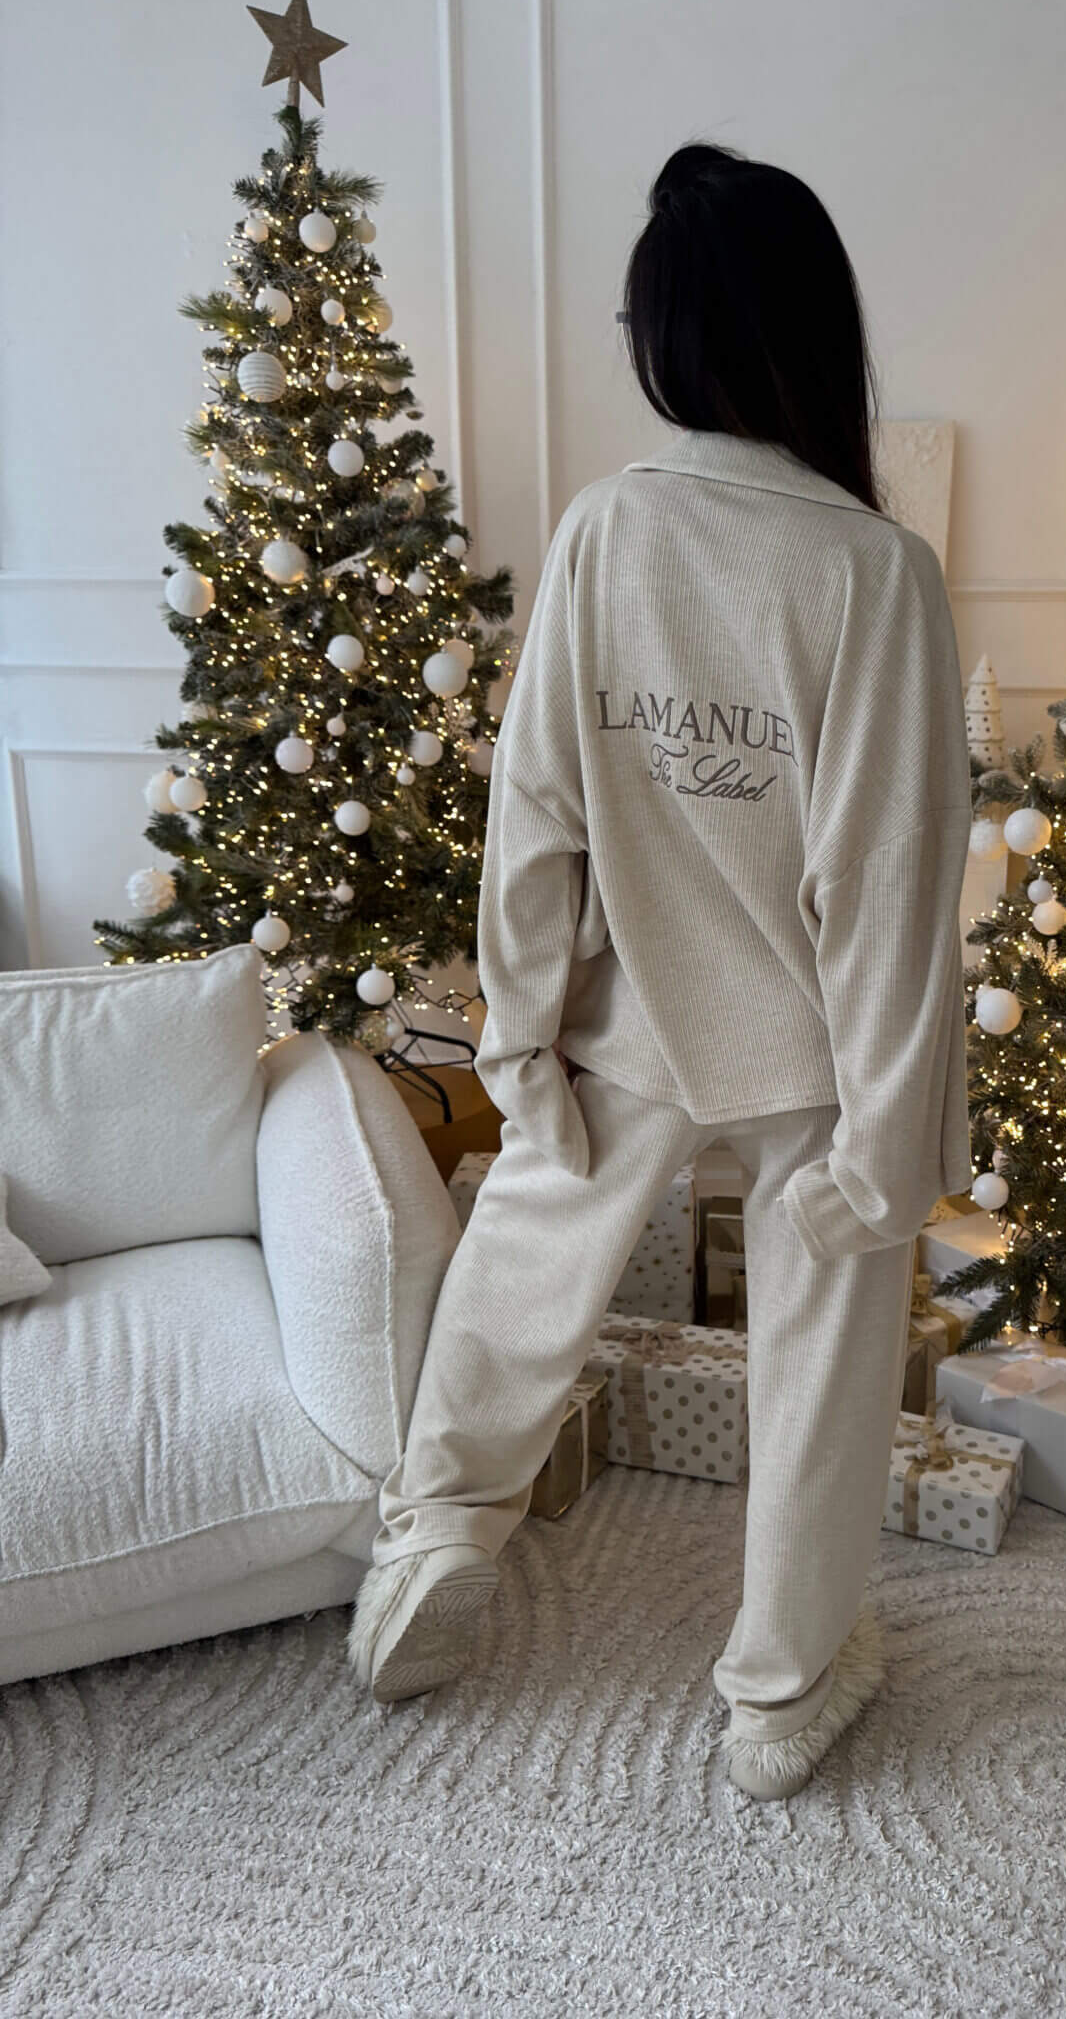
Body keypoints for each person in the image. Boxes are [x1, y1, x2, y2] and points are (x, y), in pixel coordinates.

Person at [347, 140, 974, 1800]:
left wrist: (518, 1042)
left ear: (669, 339)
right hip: (815, 1052)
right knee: (823, 1353)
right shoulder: (875, 572)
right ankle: (779, 1692)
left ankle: (441, 1527)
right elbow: (890, 884)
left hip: (627, 1012)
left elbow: (535, 815)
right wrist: (883, 1155)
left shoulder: (606, 528)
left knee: (525, 1254)